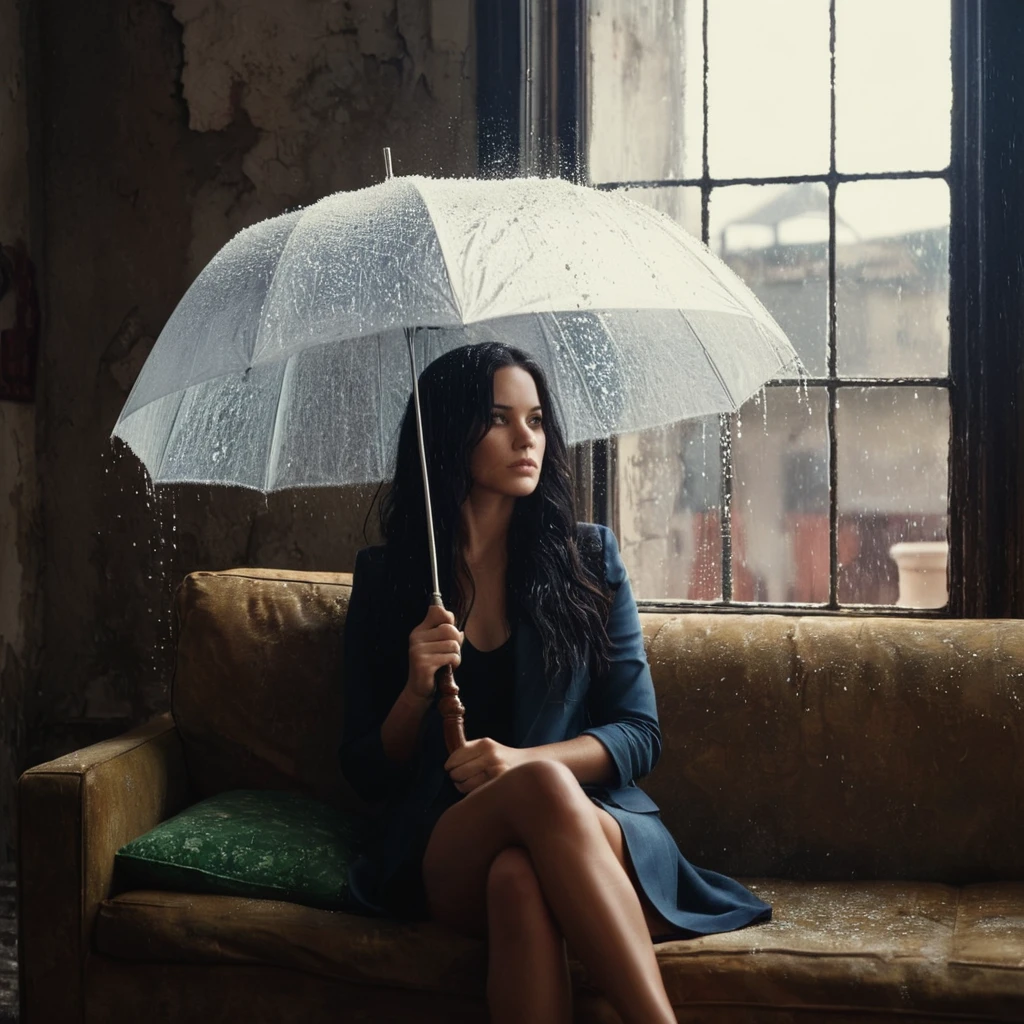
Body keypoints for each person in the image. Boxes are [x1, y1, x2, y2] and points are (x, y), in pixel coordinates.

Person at [339, 342, 771, 1024]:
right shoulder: (389, 579)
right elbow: (365, 771)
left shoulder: (588, 559)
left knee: (523, 863)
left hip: (591, 824)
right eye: (500, 419)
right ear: (450, 432)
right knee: (508, 858)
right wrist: (414, 691)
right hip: (449, 841)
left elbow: (639, 734)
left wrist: (519, 764)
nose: (526, 439)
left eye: (537, 419)